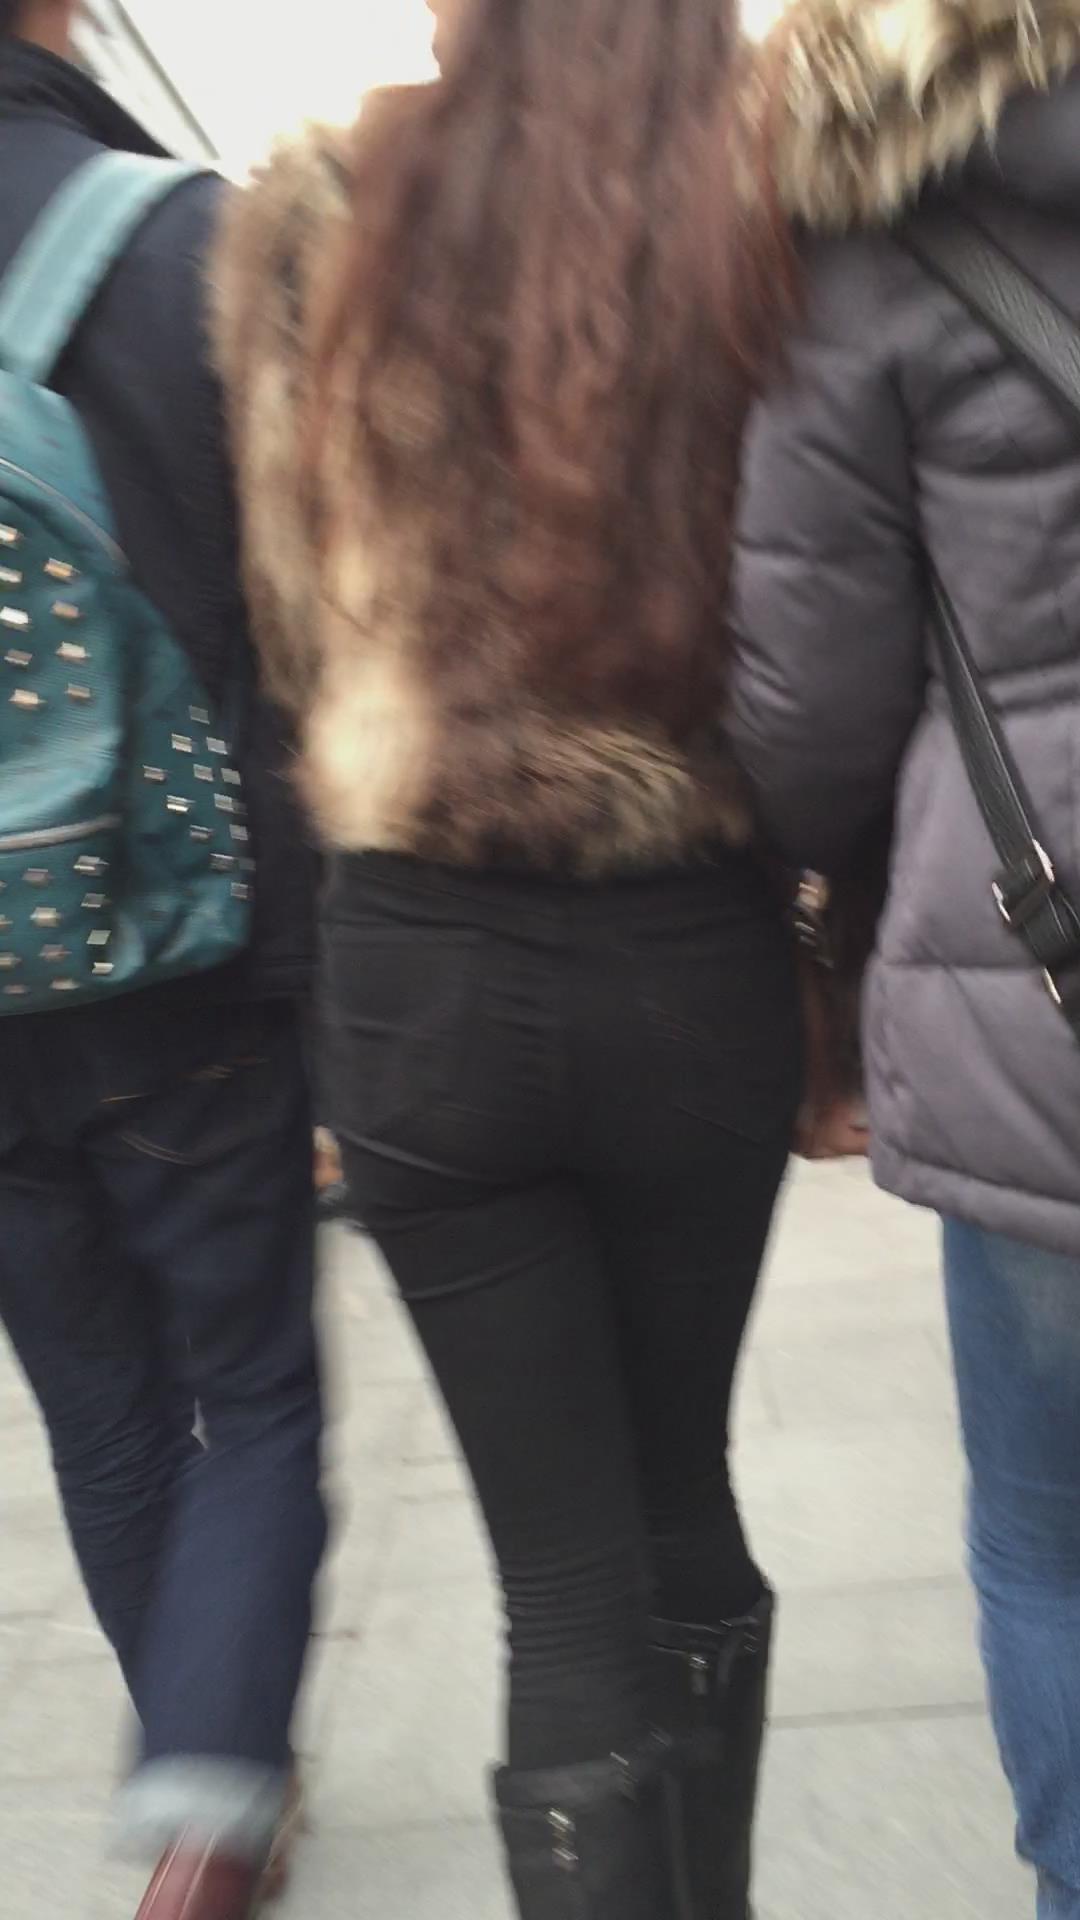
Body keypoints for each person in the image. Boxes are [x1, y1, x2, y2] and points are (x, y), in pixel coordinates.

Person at [211, 3, 803, 1916]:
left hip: (421, 967)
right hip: (686, 943)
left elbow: (288, 627)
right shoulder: (757, 198)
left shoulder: (321, 209)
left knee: (559, 1583)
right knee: (683, 1497)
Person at [729, 2, 1080, 1914]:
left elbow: (812, 699)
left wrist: (820, 879)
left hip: (1037, 987)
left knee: (1048, 1544)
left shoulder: (875, 243)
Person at [0, 7, 327, 1919]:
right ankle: (206, 1815)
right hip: (179, 954)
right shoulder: (180, 240)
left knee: (101, 1409)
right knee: (254, 1392)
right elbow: (297, 626)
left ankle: (203, 1785)